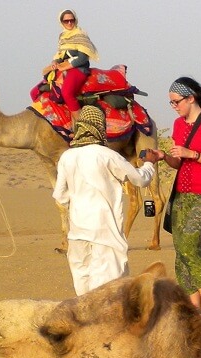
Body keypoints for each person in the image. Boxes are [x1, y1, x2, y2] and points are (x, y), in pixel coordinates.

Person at [140, 77, 201, 324]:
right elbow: (179, 162)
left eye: (176, 101)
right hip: (181, 195)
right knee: (181, 250)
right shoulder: (178, 125)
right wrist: (163, 156)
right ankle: (192, 305)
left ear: (191, 98)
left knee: (190, 247)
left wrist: (194, 154)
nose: (174, 106)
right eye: (171, 103)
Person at [53, 106, 155, 295]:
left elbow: (60, 195)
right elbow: (140, 179)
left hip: (78, 232)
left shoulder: (67, 157)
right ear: (101, 127)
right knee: (108, 289)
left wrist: (78, 199)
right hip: (105, 231)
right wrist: (149, 163)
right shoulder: (107, 155)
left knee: (82, 285)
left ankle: (85, 322)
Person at [39, 10, 99, 113]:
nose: (69, 23)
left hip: (79, 69)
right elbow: (61, 54)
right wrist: (55, 62)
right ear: (61, 22)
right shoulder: (63, 36)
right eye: (66, 21)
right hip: (63, 67)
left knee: (66, 93)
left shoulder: (80, 35)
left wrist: (64, 67)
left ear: (75, 20)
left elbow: (83, 58)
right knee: (36, 91)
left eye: (72, 20)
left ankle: (80, 123)